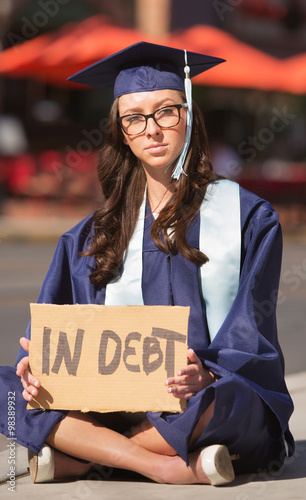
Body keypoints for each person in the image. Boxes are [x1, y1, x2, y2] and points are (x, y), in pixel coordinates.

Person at [0, 42, 294, 486]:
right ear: (120, 131)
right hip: (114, 405)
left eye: (166, 112)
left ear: (189, 114)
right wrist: (37, 367)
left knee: (232, 400)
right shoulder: (91, 236)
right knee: (5, 392)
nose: (152, 130)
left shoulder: (247, 218)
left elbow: (252, 334)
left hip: (201, 398)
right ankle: (157, 463)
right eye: (134, 118)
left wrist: (207, 373)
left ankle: (92, 455)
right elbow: (57, 330)